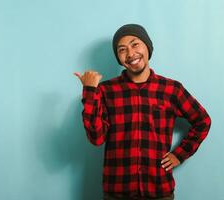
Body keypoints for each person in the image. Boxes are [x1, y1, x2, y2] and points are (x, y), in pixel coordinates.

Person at [74, 24, 211, 200]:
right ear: (118, 57)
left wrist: (180, 154)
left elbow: (203, 121)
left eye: (135, 44)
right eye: (122, 49)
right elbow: (96, 138)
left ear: (147, 46)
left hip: (158, 190)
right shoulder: (105, 91)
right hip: (117, 191)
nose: (130, 54)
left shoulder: (171, 89)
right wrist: (90, 92)